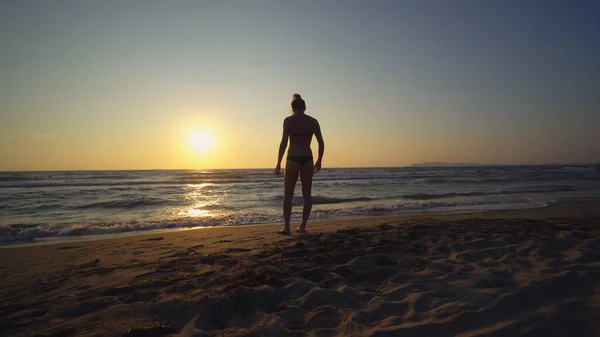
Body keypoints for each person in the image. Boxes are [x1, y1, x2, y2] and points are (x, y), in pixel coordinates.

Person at [274, 93, 324, 234]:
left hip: (293, 159)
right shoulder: (313, 121)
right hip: (308, 159)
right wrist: (319, 160)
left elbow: (284, 142)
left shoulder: (288, 121)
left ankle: (287, 227)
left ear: (293, 108)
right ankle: (302, 226)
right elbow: (321, 143)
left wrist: (278, 162)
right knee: (306, 195)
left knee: (288, 195)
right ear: (304, 107)